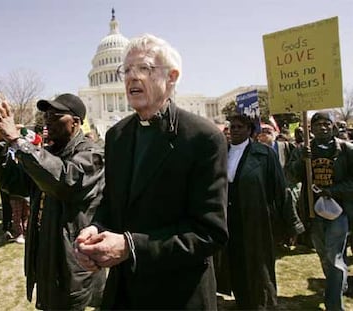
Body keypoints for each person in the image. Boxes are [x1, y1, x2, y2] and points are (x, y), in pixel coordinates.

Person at [74, 34, 228, 310]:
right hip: (124, 293)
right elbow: (113, 202)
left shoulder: (202, 138)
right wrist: (96, 228)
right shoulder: (117, 136)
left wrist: (130, 247)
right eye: (127, 70)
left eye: (143, 68)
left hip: (178, 294)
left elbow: (209, 233)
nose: (132, 77)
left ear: (172, 76)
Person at [0, 93, 106, 310]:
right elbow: (14, 183)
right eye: (46, 115)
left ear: (75, 123)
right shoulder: (46, 154)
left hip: (73, 260)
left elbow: (65, 181)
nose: (47, 121)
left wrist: (16, 140)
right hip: (45, 253)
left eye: (55, 115)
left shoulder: (92, 154)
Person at [214, 114, 304, 309]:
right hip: (230, 220)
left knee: (259, 266)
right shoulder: (222, 153)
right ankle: (242, 301)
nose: (234, 130)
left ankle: (264, 305)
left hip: (257, 219)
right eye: (231, 127)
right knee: (236, 263)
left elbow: (281, 190)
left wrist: (292, 224)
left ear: (249, 130)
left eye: (239, 127)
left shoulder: (264, 154)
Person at [286, 112, 353, 311]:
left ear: (333, 126)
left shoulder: (346, 149)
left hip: (338, 212)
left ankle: (334, 305)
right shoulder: (303, 150)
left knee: (334, 257)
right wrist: (301, 161)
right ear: (311, 128)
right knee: (324, 257)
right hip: (313, 212)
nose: (322, 128)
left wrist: (332, 191)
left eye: (327, 124)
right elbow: (290, 175)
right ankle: (338, 285)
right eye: (318, 124)